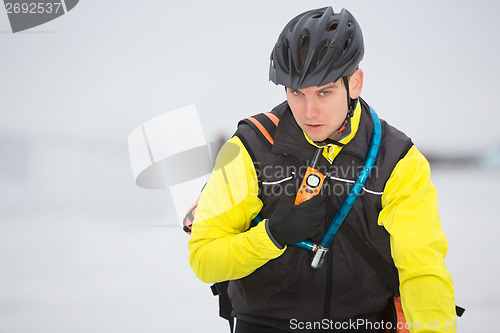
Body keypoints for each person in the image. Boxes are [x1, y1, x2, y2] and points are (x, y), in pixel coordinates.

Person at [188, 6, 457, 333]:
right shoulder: (249, 149)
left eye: (324, 92)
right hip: (264, 323)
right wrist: (272, 235)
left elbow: (423, 271)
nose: (308, 111)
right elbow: (204, 258)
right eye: (296, 93)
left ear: (355, 83)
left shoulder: (398, 161)